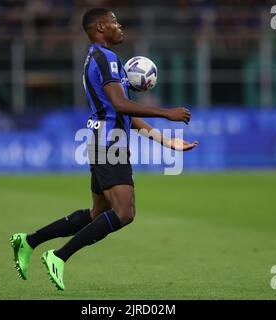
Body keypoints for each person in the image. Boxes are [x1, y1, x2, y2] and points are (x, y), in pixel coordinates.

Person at [10, 8, 198, 291]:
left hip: (102, 140)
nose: (119, 26)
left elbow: (122, 112)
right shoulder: (105, 58)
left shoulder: (101, 58)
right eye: (114, 22)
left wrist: (164, 140)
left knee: (98, 214)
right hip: (110, 143)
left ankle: (29, 241)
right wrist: (166, 112)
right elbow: (121, 105)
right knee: (124, 212)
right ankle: (58, 256)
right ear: (100, 27)